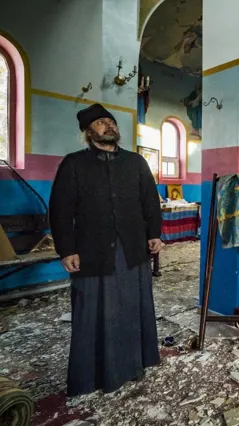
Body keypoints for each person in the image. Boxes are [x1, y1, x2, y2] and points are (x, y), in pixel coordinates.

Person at [49, 103, 162, 397]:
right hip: (92, 252)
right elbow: (60, 210)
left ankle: (136, 363)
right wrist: (66, 249)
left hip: (133, 248)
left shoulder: (136, 163)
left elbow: (150, 201)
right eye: (100, 123)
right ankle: (94, 377)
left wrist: (155, 234)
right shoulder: (73, 164)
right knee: (94, 311)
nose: (108, 126)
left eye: (110, 121)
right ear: (88, 132)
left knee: (133, 306)